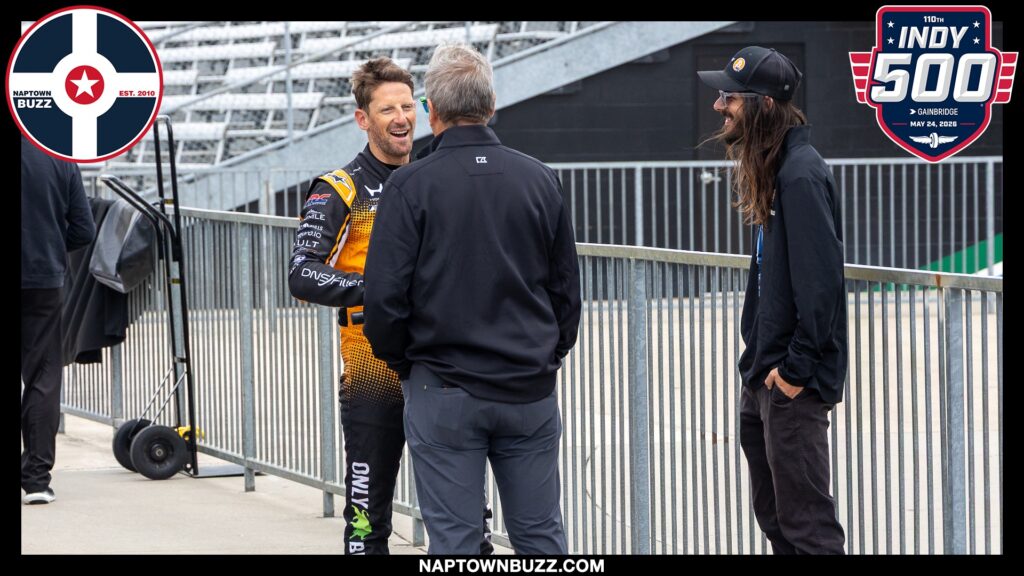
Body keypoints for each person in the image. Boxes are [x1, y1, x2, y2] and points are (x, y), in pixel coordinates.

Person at [363, 42, 582, 555]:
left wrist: (409, 365)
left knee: (456, 543)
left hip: (443, 388)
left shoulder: (409, 185)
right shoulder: (540, 179)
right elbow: (566, 292)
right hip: (528, 388)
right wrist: (547, 355)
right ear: (492, 105)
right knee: (540, 537)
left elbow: (384, 301)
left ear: (430, 110)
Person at [288, 57, 492, 555]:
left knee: (466, 515)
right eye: (386, 110)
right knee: (366, 521)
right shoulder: (339, 186)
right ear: (363, 119)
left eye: (407, 106)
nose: (401, 118)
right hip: (371, 373)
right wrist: (383, 289)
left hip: (439, 367)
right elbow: (301, 272)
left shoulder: (433, 179)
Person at [698, 46, 848, 554]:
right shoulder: (777, 169)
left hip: (792, 387)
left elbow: (821, 287)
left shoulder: (800, 175)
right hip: (764, 376)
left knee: (809, 531)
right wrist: (758, 368)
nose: (719, 107)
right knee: (779, 522)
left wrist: (793, 374)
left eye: (729, 97)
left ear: (762, 105)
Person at [21, 136, 97, 505]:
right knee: (43, 376)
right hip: (43, 279)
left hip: (43, 275)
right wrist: (50, 246)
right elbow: (83, 230)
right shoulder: (56, 153)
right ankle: (36, 480)